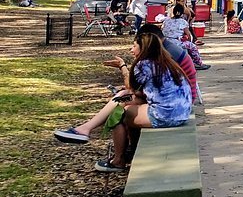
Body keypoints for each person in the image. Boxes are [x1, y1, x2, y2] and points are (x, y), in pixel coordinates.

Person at [53, 27, 192, 172]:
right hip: (181, 112)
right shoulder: (167, 62)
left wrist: (123, 67)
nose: (131, 50)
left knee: (119, 113)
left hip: (167, 115)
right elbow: (145, 92)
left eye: (134, 46)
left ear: (143, 48)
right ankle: (88, 130)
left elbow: (130, 86)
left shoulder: (144, 64)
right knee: (123, 96)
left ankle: (118, 160)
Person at [163, 4, 210, 70]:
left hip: (165, 42)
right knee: (192, 47)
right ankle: (198, 63)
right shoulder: (182, 22)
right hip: (176, 42)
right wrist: (189, 41)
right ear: (182, 13)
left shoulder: (167, 21)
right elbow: (189, 35)